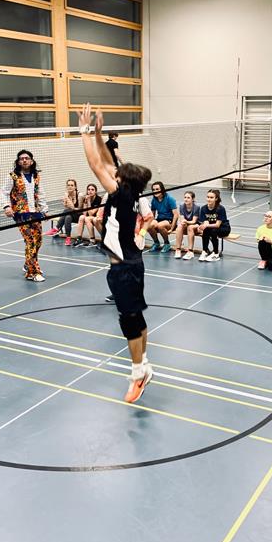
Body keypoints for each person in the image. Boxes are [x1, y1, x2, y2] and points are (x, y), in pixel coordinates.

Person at [80, 103, 154, 403]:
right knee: (136, 317)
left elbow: (96, 165)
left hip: (124, 267)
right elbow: (108, 162)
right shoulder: (131, 192)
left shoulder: (121, 194)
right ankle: (144, 365)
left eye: (118, 174)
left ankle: (138, 375)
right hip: (130, 263)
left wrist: (84, 131)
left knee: (129, 322)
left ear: (123, 180)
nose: (114, 171)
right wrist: (100, 135)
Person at [1, 149, 49, 282]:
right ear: (18, 162)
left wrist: (44, 209)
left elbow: (40, 193)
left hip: (36, 213)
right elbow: (4, 192)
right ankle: (32, 272)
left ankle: (28, 263)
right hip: (21, 214)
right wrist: (6, 207)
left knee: (38, 241)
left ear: (31, 161)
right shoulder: (12, 176)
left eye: (26, 158)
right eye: (21, 158)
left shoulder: (36, 176)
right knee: (30, 241)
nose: (24, 160)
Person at [197, 189, 230, 262]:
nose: (209, 199)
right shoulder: (203, 208)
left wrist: (206, 226)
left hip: (223, 228)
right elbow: (205, 222)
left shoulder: (220, 209)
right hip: (211, 228)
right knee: (206, 230)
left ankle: (216, 253)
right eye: (208, 197)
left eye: (211, 197)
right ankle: (205, 251)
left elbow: (217, 225)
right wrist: (202, 226)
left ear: (216, 198)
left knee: (213, 230)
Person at [46, 179, 80, 246]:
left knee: (67, 211)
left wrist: (67, 197)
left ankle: (56, 228)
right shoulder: (67, 195)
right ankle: (68, 238)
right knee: (67, 217)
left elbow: (73, 208)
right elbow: (67, 207)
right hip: (72, 214)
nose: (70, 187)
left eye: (72, 185)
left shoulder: (79, 195)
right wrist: (65, 201)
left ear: (75, 187)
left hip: (80, 215)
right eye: (68, 185)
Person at [148, 181, 179, 253]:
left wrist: (172, 228)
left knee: (160, 226)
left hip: (169, 220)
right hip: (160, 219)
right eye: (153, 190)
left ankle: (167, 244)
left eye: (157, 189)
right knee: (149, 225)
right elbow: (152, 214)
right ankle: (156, 243)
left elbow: (176, 215)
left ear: (162, 189)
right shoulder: (154, 200)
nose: (155, 191)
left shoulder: (170, 199)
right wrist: (151, 225)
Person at [173, 191, 200, 259]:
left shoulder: (196, 207)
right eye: (185, 197)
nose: (186, 199)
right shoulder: (182, 206)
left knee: (190, 227)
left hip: (196, 225)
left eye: (188, 198)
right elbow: (182, 219)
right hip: (187, 224)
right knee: (179, 226)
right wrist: (183, 222)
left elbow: (194, 221)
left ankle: (190, 251)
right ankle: (178, 249)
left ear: (192, 199)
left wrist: (186, 221)